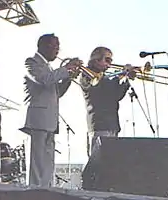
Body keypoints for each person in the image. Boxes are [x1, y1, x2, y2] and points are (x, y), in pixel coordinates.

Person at [20, 33, 81, 187]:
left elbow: (57, 93)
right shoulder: (31, 63)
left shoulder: (49, 68)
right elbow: (45, 80)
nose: (58, 51)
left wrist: (69, 78)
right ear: (45, 46)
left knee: (47, 166)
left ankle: (46, 192)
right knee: (37, 165)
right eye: (56, 46)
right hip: (37, 121)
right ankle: (34, 194)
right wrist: (66, 69)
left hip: (50, 121)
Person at [80, 46, 133, 156]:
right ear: (96, 60)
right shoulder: (87, 74)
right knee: (99, 162)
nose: (109, 64)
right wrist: (119, 76)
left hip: (112, 124)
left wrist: (126, 80)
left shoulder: (105, 77)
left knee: (111, 163)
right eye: (107, 60)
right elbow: (98, 89)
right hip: (99, 124)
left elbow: (115, 96)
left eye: (110, 61)